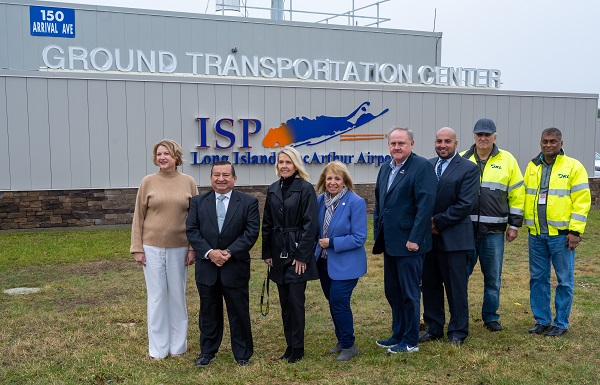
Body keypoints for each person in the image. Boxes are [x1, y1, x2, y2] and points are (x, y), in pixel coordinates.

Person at [186, 160, 260, 366]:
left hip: (234, 266)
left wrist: (228, 252)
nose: (221, 179)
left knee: (238, 311)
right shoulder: (198, 202)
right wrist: (210, 253)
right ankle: (207, 351)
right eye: (216, 175)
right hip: (207, 267)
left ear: (234, 179)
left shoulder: (248, 202)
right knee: (208, 311)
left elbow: (251, 232)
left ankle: (242, 353)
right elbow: (192, 230)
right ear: (211, 178)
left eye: (226, 175)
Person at [130, 139, 198, 360]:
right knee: (157, 297)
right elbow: (138, 217)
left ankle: (178, 347)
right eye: (158, 154)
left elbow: (196, 218)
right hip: (151, 248)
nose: (162, 158)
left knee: (177, 296)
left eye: (166, 154)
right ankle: (158, 349)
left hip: (180, 248)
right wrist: (137, 248)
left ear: (176, 157)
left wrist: (192, 248)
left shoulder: (188, 182)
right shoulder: (147, 182)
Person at [373, 127, 437, 354]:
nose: (397, 147)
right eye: (393, 143)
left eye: (401, 143)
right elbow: (380, 205)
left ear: (411, 144)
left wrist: (415, 238)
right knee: (392, 290)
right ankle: (397, 333)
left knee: (409, 293)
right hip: (391, 242)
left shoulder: (422, 167)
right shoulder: (385, 168)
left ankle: (410, 341)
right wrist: (377, 234)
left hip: (410, 243)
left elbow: (425, 206)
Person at [524, 127, 591, 337]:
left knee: (564, 280)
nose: (549, 145)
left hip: (562, 236)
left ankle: (561, 323)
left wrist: (575, 231)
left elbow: (582, 201)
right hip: (536, 234)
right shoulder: (532, 166)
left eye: (553, 141)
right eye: (545, 141)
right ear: (540, 142)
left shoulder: (573, 167)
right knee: (537, 279)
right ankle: (542, 320)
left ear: (561, 143)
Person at [462, 118, 525, 332]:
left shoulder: (507, 160)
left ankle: (490, 317)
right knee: (460, 277)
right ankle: (460, 317)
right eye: (479, 134)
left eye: (487, 135)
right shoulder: (462, 158)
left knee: (493, 279)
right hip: (465, 231)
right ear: (474, 136)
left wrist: (514, 225)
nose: (483, 138)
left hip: (494, 233)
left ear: (494, 137)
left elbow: (517, 194)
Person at [420, 127, 479, 346]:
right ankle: (434, 327)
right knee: (430, 285)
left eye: (447, 141)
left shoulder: (468, 168)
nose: (442, 145)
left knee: (456, 287)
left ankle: (457, 331)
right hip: (428, 239)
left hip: (454, 238)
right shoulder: (426, 166)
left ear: (456, 144)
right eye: (438, 141)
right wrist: (426, 223)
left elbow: (465, 204)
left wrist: (437, 221)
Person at [262, 146, 319, 363]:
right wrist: (267, 252)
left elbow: (310, 224)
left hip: (296, 253)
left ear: (295, 165)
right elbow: (266, 223)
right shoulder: (273, 188)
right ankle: (289, 344)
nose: (284, 166)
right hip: (277, 253)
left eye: (288, 162)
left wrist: (302, 255)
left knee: (296, 302)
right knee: (284, 303)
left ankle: (298, 347)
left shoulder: (305, 189)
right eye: (281, 162)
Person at [314, 161, 367, 362]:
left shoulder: (356, 202)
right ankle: (341, 339)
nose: (333, 182)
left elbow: (359, 237)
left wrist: (332, 242)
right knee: (333, 302)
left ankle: (348, 345)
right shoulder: (320, 201)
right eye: (329, 178)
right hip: (324, 263)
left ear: (345, 181)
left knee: (339, 301)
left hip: (347, 264)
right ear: (323, 180)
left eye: (337, 178)